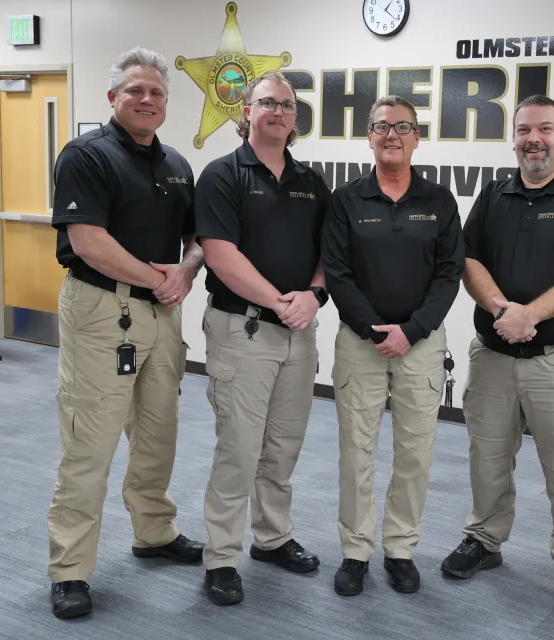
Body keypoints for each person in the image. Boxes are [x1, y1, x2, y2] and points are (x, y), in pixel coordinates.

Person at [439, 95, 554, 620]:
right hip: (493, 358)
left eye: (545, 129)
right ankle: (484, 540)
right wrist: (500, 307)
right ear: (513, 137)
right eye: (524, 130)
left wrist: (531, 315)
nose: (533, 139)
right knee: (488, 459)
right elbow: (469, 258)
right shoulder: (494, 194)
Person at [47, 47, 205, 620]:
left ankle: (155, 532)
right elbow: (88, 241)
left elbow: (196, 240)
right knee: (90, 442)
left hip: (163, 315)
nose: (147, 100)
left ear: (166, 103)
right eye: (135, 90)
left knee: (158, 434)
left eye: (157, 92)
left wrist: (185, 272)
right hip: (100, 311)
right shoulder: (86, 157)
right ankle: (69, 569)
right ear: (112, 98)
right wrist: (158, 280)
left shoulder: (177, 165)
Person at [192, 70, 330, 606]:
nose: (277, 112)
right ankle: (221, 557)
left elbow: (329, 250)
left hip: (300, 331)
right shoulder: (222, 175)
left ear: (295, 119)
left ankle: (272, 538)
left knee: (282, 446)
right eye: (267, 102)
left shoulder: (309, 180)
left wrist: (314, 294)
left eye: (287, 106)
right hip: (243, 329)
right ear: (245, 111)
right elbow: (220, 253)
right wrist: (279, 301)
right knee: (239, 448)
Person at [321, 96, 464, 596]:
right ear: (369, 136)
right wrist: (373, 329)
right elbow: (337, 273)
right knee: (355, 452)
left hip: (421, 344)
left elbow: (449, 275)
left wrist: (413, 330)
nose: (391, 135)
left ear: (417, 138)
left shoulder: (439, 201)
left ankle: (400, 548)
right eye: (381, 126)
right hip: (360, 343)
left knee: (415, 453)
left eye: (402, 127)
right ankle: (355, 550)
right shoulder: (345, 200)